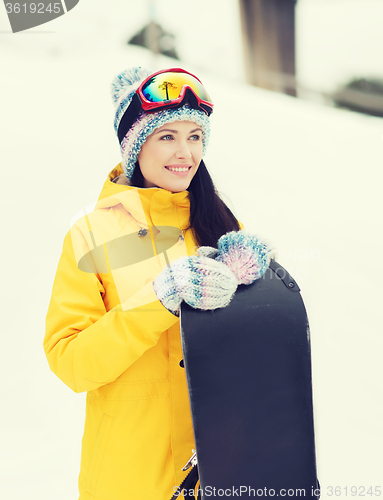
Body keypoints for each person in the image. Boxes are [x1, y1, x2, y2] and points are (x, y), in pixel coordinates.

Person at [44, 67, 274, 500]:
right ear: (134, 146)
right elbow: (71, 363)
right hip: (128, 482)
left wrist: (260, 295)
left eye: (195, 136)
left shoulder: (221, 228)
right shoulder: (94, 236)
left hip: (220, 474)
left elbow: (259, 363)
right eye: (166, 136)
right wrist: (159, 300)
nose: (184, 152)